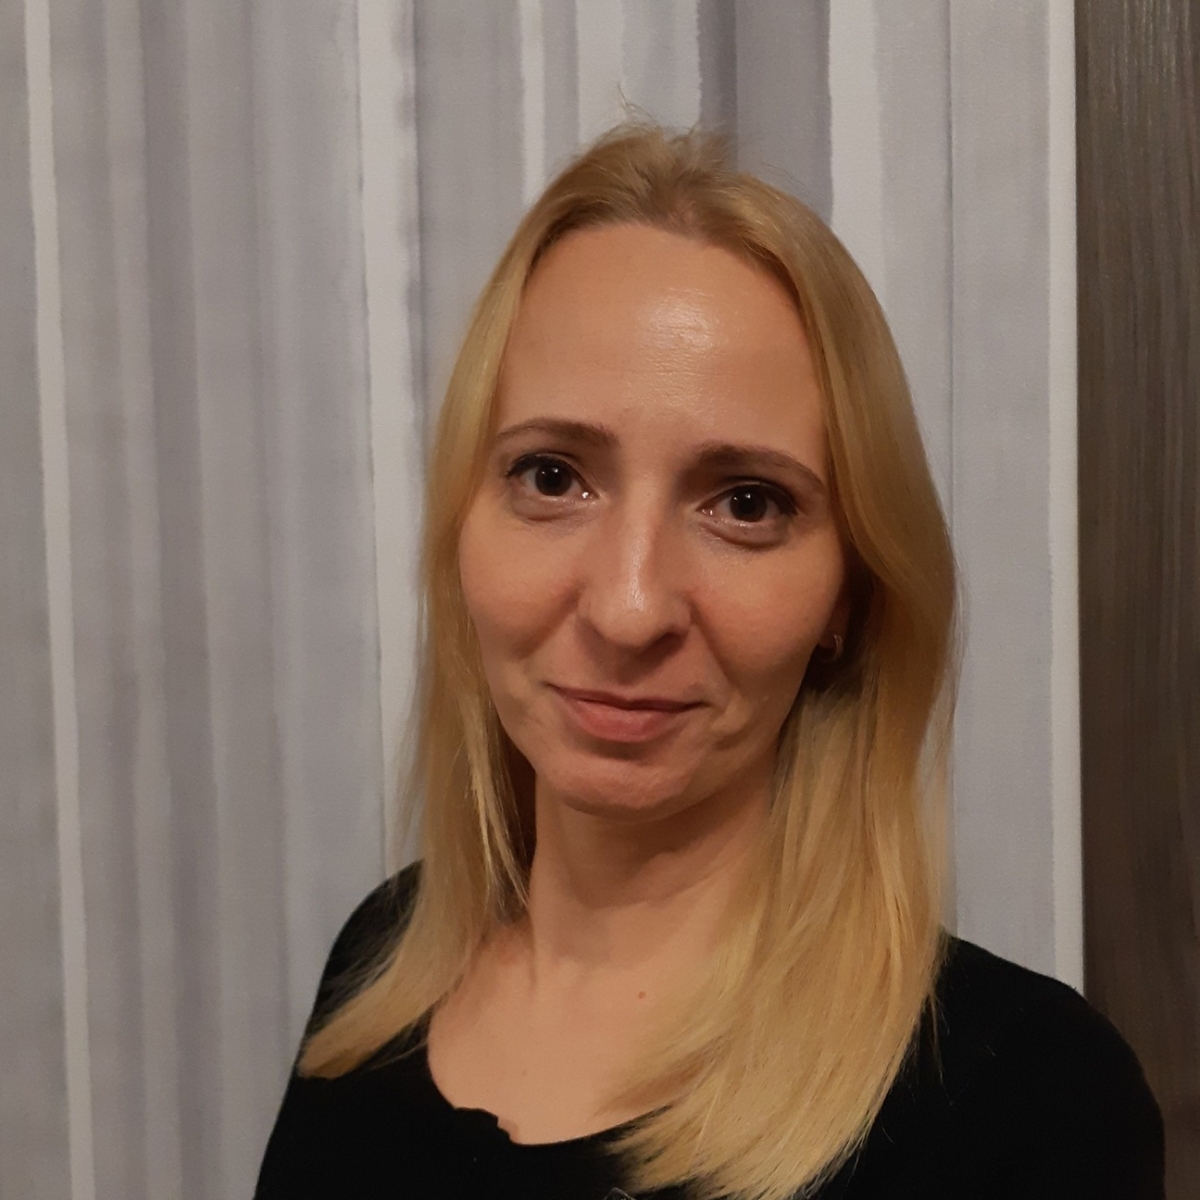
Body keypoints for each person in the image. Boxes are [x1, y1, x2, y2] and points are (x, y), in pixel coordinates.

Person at [254, 125, 1164, 1200]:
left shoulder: (1032, 1107)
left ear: (849, 595)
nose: (630, 608)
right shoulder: (380, 963)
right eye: (552, 477)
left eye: (747, 503)